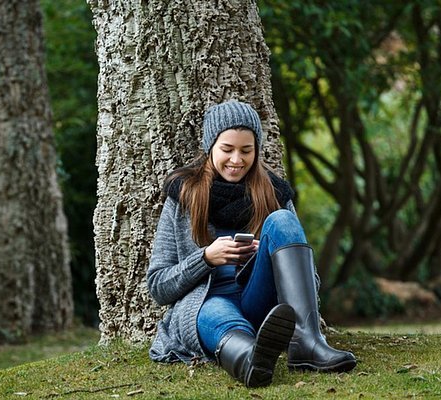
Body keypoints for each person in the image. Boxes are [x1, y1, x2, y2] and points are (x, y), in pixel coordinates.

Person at [146, 100, 356, 388]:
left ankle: (306, 344)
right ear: (210, 148)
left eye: (246, 150)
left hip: (262, 304)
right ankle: (249, 359)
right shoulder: (183, 195)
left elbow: (312, 280)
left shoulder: (274, 193)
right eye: (227, 149)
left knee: (282, 220)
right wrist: (206, 257)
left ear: (256, 151)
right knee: (215, 313)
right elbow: (159, 286)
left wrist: (268, 259)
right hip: (208, 305)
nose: (237, 160)